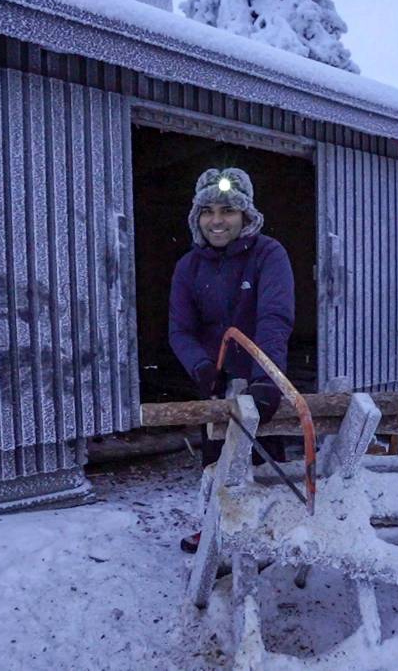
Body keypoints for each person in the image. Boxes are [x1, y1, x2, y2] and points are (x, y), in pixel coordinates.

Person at [168, 167, 295, 553]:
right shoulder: (188, 267)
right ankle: (215, 529)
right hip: (216, 384)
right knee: (216, 462)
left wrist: (266, 378)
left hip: (260, 380)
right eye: (207, 211)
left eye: (227, 210)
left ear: (246, 216)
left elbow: (274, 317)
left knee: (264, 462)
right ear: (197, 218)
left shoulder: (268, 255)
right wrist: (201, 367)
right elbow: (180, 330)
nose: (217, 220)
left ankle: (273, 532)